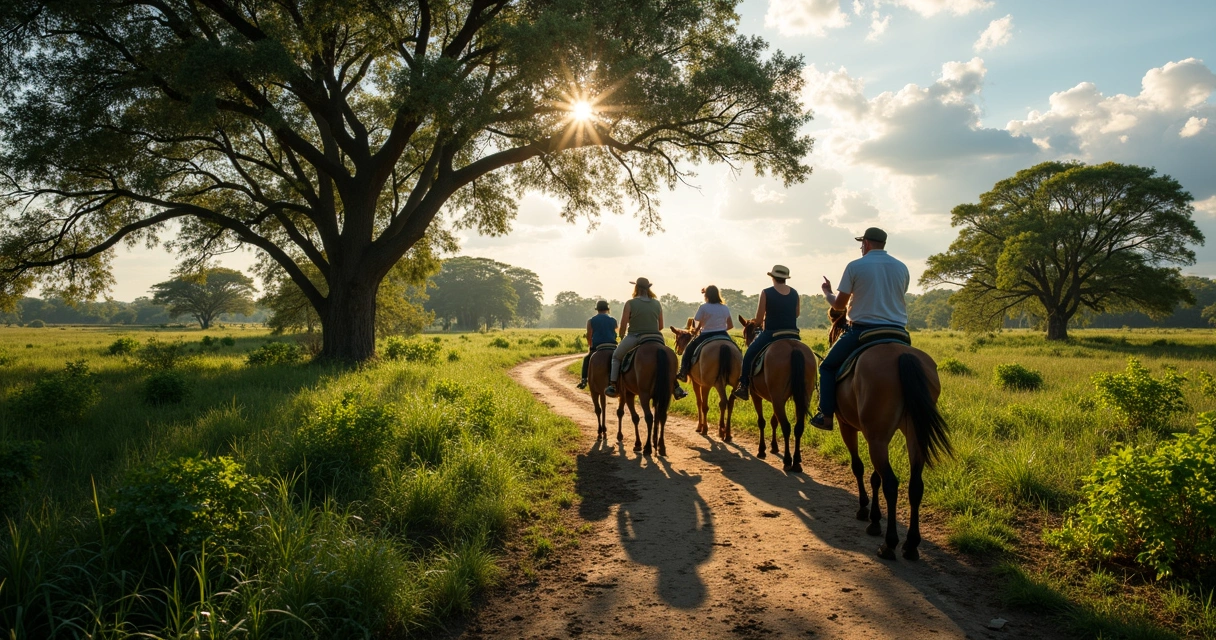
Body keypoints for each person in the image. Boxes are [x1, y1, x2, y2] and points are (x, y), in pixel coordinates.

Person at [811, 227, 910, 430]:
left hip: (863, 331)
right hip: (899, 332)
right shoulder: (902, 267)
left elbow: (838, 305)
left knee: (827, 367)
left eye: (861, 244)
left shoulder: (855, 266)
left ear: (865, 243)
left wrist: (827, 292)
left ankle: (826, 415)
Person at [605, 277, 687, 400]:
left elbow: (623, 325)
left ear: (636, 287)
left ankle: (613, 385)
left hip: (635, 336)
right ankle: (676, 386)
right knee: (667, 359)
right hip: (656, 336)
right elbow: (660, 326)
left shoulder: (630, 303)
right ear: (648, 288)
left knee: (616, 357)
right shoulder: (657, 303)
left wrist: (622, 336)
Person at [732, 265, 800, 401]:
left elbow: (758, 319)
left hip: (772, 333)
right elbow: (796, 314)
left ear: (772, 277)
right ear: (785, 279)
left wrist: (759, 322)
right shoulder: (794, 293)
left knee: (749, 354)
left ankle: (743, 385)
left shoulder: (766, 292)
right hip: (793, 334)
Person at [677, 285, 734, 382]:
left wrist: (696, 329)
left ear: (706, 295)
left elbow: (695, 323)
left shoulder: (703, 307)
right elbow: (730, 325)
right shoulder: (725, 308)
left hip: (706, 334)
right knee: (736, 349)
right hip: (723, 334)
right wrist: (720, 329)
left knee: (689, 349)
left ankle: (683, 372)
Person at [577, 300, 617, 389]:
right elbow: (614, 334)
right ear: (607, 309)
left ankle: (584, 379)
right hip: (612, 346)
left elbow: (589, 335)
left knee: (587, 359)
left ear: (597, 309)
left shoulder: (591, 320)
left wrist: (590, 346)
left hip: (598, 346)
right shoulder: (613, 320)